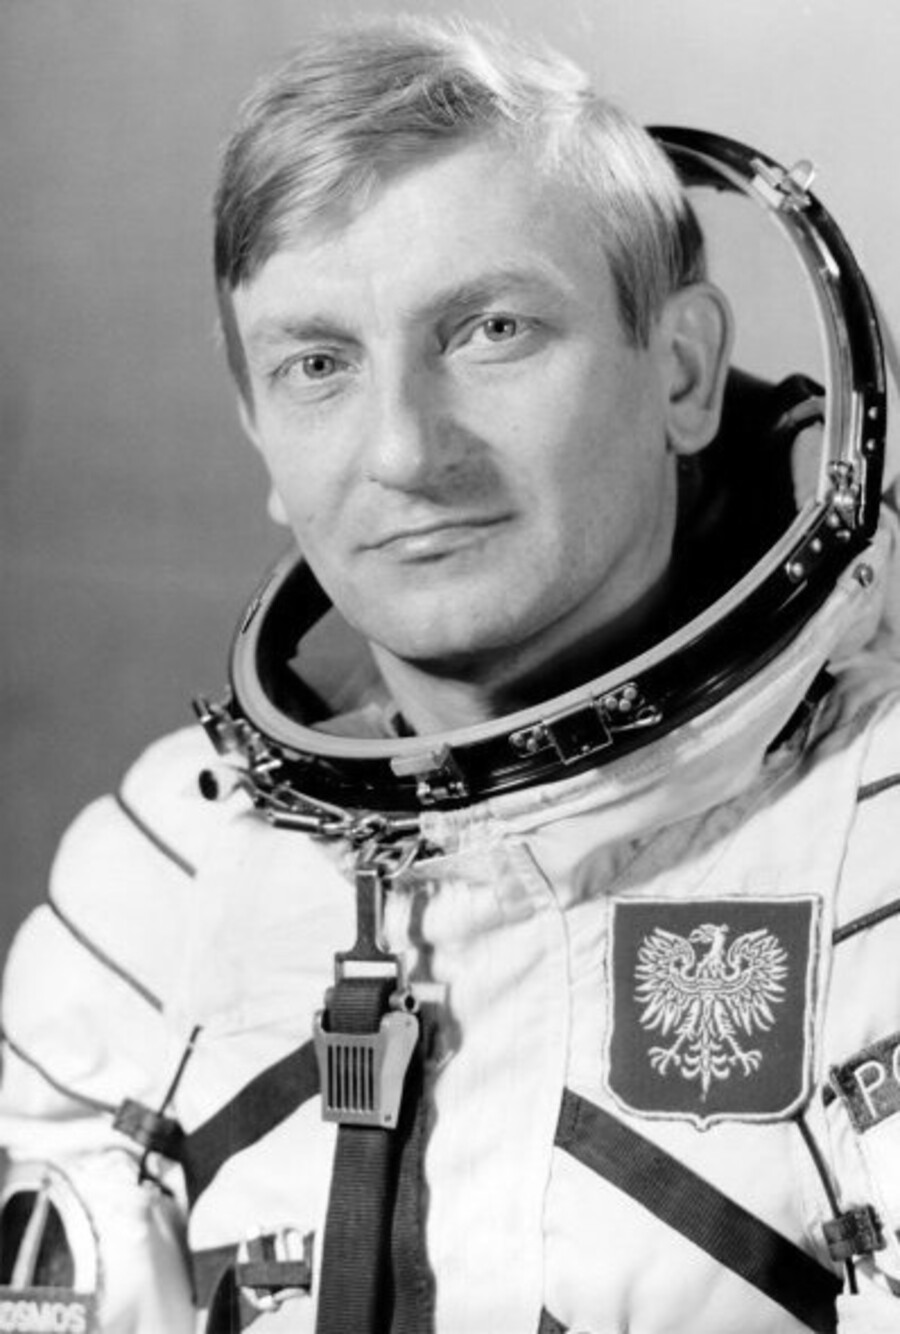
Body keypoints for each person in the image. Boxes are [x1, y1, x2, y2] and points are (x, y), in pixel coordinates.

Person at [1, 14, 899, 1334]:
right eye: (318, 364)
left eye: (491, 329)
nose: (406, 453)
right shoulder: (155, 902)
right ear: (257, 427)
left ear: (684, 373)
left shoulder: (879, 851)